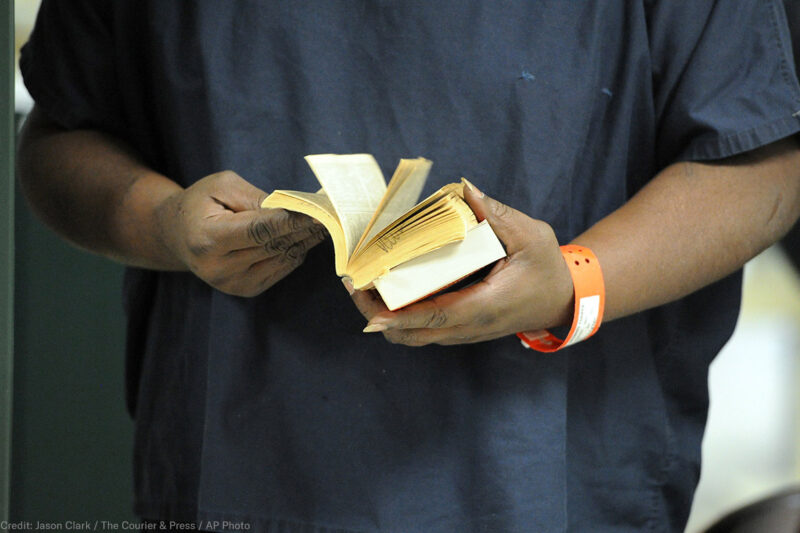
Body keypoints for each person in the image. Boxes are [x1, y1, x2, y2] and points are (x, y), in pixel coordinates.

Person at [16, 1, 800, 531]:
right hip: (238, 464)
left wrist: (575, 282)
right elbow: (64, 133)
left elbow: (760, 158)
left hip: (553, 478)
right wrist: (161, 222)